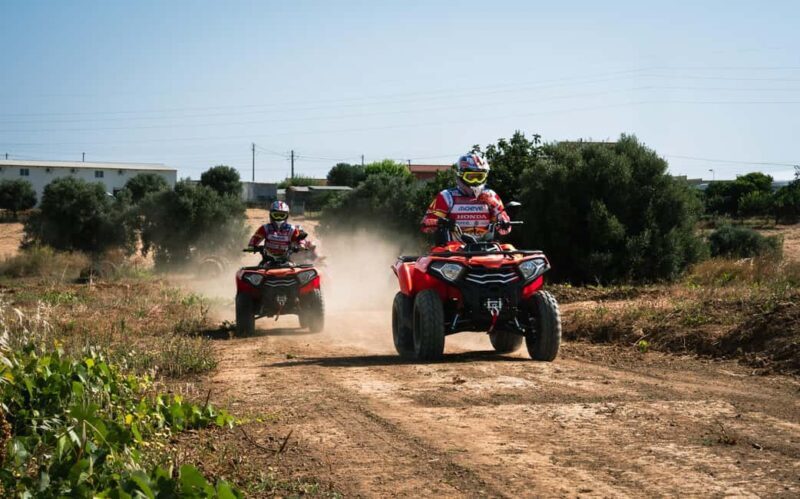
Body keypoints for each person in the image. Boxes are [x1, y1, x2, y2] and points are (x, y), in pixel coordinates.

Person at [421, 152, 510, 241]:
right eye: (471, 177)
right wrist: (440, 222)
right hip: (454, 249)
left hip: (486, 247)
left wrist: (503, 222)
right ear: (461, 175)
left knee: (510, 249)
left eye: (479, 177)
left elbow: (505, 229)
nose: (475, 181)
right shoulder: (446, 196)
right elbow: (425, 225)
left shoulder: (491, 196)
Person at [248, 200, 315, 263]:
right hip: (267, 260)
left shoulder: (292, 229)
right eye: (276, 215)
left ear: (287, 216)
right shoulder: (265, 228)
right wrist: (251, 246)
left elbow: (299, 239)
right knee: (251, 273)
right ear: (271, 215)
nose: (279, 218)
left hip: (286, 260)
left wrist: (301, 245)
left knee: (302, 271)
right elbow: (255, 238)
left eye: (282, 215)